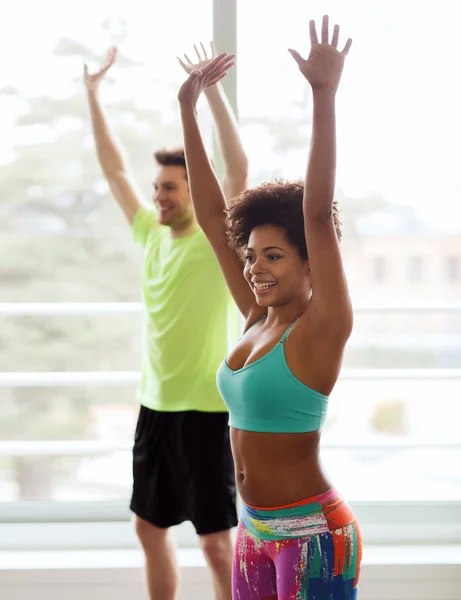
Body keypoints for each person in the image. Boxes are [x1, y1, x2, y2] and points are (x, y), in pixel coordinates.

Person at [178, 16, 362, 600]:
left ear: (310, 261)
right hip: (254, 530)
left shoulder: (321, 328)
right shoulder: (259, 319)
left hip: (313, 536)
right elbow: (212, 219)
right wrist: (188, 108)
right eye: (252, 257)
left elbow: (314, 212)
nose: (256, 268)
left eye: (274, 256)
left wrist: (324, 95)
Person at [84, 43, 249, 600]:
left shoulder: (210, 238)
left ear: (191, 193)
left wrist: (212, 95)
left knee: (215, 544)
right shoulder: (151, 235)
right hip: (155, 404)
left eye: (170, 188)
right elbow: (112, 168)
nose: (158, 196)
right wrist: (92, 95)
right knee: (149, 528)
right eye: (157, 187)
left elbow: (236, 168)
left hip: (206, 408)